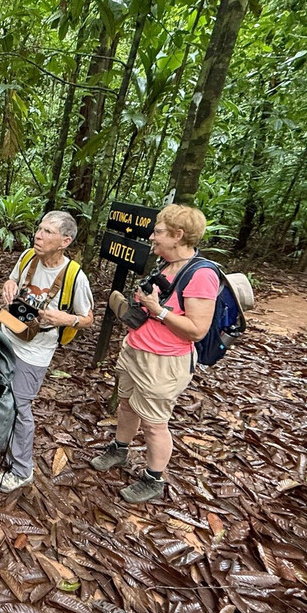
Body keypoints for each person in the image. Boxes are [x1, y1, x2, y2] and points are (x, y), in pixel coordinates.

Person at [90, 203, 218, 503]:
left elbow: (197, 329)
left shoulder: (201, 275)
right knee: (126, 405)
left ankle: (153, 478)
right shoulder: (164, 265)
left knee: (155, 423)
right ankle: (120, 449)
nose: (152, 237)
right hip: (136, 349)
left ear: (178, 235)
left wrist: (157, 310)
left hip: (164, 361)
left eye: (158, 232)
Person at [0, 210, 93, 492]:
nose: (38, 235)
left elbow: (87, 318)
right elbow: (11, 280)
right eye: (39, 229)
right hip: (8, 333)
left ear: (65, 241)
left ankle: (22, 468)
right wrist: (9, 284)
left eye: (47, 232)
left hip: (35, 352)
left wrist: (65, 319)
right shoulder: (27, 256)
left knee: (19, 406)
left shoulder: (75, 277)